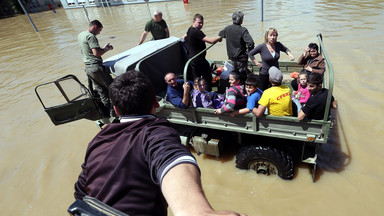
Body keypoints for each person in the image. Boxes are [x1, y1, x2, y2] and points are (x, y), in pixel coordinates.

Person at [74, 70, 247, 216]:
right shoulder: (156, 132)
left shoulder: (98, 140)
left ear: (117, 110)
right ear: (156, 103)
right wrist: (200, 212)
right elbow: (171, 159)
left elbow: (80, 194)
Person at [78, 19, 114, 116]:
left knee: (101, 91)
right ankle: (115, 110)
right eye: (99, 30)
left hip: (88, 69)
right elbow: (96, 53)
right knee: (112, 88)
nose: (99, 33)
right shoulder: (91, 36)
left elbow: (90, 51)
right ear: (95, 27)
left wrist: (102, 48)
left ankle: (109, 111)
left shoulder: (81, 35)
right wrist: (106, 49)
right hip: (96, 67)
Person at [184, 14, 222, 90]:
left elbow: (185, 36)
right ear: (194, 21)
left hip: (192, 59)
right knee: (207, 77)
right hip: (198, 59)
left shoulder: (190, 29)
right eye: (199, 22)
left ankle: (198, 93)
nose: (201, 25)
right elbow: (211, 41)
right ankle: (208, 93)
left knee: (196, 79)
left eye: (202, 23)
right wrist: (220, 37)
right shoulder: (197, 32)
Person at [218, 11, 254, 83]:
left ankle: (236, 85)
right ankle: (242, 87)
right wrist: (249, 53)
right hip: (241, 58)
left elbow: (220, 34)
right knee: (242, 74)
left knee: (235, 73)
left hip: (232, 57)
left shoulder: (227, 29)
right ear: (241, 20)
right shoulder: (242, 30)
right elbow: (251, 43)